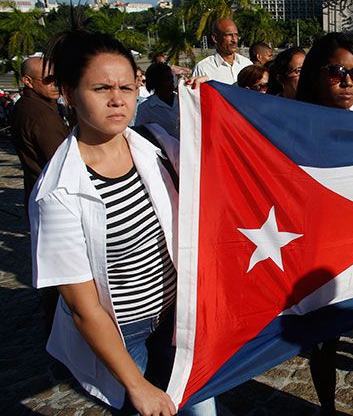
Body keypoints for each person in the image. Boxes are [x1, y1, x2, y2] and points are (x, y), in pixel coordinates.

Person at [29, 30, 216, 416]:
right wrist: (136, 384)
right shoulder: (58, 192)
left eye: (127, 88)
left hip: (179, 314)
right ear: (68, 92)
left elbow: (219, 171)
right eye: (100, 88)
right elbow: (83, 308)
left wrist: (210, 107)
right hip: (122, 333)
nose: (117, 100)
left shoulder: (158, 143)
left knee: (200, 408)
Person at [296, 33, 353, 415]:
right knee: (324, 345)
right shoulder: (292, 124)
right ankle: (328, 410)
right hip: (316, 256)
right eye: (337, 72)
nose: (348, 81)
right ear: (317, 75)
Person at [10, 56, 70, 211]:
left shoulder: (28, 105)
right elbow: (63, 162)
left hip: (37, 189)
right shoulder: (40, 115)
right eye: (48, 79)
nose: (56, 84)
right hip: (53, 196)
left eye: (59, 78)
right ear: (28, 81)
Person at [191, 18, 252, 84]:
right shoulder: (203, 68)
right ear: (215, 38)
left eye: (236, 35)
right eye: (229, 35)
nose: (234, 40)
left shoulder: (247, 64)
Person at [135, 62, 179, 137]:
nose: (172, 81)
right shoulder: (145, 108)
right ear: (156, 82)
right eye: (167, 79)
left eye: (171, 77)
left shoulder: (183, 101)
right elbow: (141, 136)